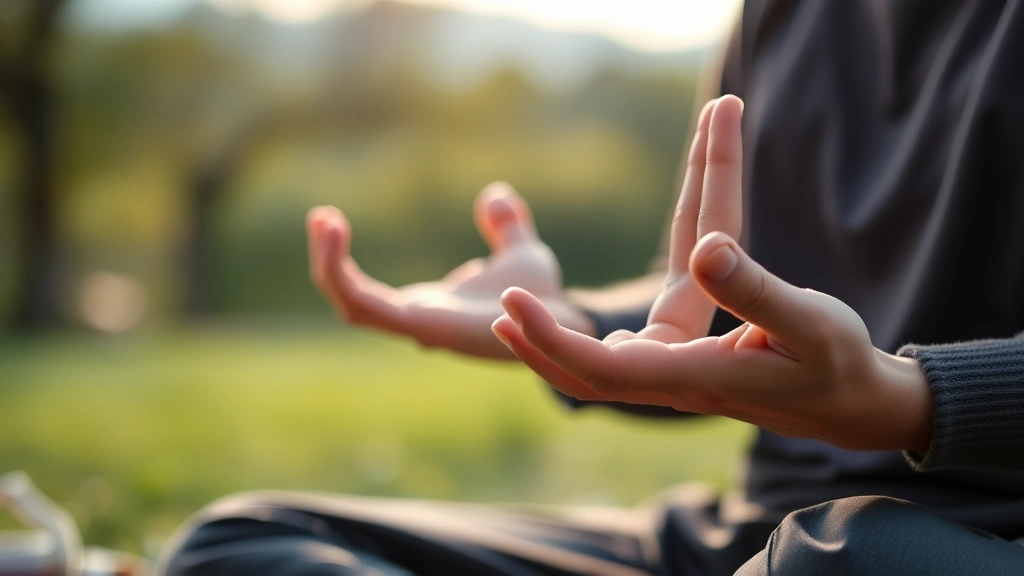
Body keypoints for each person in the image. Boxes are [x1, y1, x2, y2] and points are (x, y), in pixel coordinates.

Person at [159, 1, 1024, 574]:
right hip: (748, 538)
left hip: (951, 545)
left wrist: (917, 399)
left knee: (854, 559)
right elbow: (699, 302)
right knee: (246, 544)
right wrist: (567, 321)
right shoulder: (780, 15)